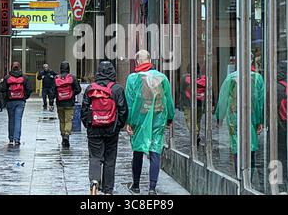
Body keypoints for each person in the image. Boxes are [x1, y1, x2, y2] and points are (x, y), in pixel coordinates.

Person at [125, 50, 175, 195]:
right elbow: (169, 101)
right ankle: (152, 188)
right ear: (149, 60)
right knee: (155, 152)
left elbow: (129, 102)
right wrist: (170, 118)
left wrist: (128, 121)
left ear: (138, 61)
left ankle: (136, 185)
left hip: (139, 120)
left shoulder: (132, 78)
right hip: (157, 120)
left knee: (138, 151)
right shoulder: (162, 78)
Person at [81, 61, 128, 195]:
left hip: (94, 129)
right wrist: (117, 126)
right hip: (111, 129)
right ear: (112, 72)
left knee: (95, 157)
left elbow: (84, 110)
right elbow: (123, 110)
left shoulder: (91, 88)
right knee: (109, 159)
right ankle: (108, 190)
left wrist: (89, 125)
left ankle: (94, 181)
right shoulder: (117, 89)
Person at [214, 67, 264, 176]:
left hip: (234, 115)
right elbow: (260, 101)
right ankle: (248, 175)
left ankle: (240, 174)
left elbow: (223, 99)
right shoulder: (257, 78)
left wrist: (219, 117)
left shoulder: (231, 78)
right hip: (252, 115)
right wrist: (260, 120)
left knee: (237, 143)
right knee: (251, 143)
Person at [0, 62, 32, 146]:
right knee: (18, 119)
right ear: (20, 68)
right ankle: (17, 139)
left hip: (10, 101)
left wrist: (6, 97)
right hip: (20, 101)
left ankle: (11, 139)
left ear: (11, 68)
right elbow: (29, 89)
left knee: (11, 120)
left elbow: (2, 89)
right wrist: (24, 97)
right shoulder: (24, 77)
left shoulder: (7, 77)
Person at [54, 61, 81, 148]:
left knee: (62, 121)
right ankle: (66, 135)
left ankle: (63, 136)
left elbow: (53, 91)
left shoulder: (56, 78)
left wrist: (51, 101)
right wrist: (72, 94)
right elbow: (78, 89)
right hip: (70, 103)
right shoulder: (72, 78)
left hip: (59, 103)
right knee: (68, 120)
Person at [179, 63, 205, 146]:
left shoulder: (184, 78)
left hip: (188, 103)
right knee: (197, 120)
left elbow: (182, 91)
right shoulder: (203, 78)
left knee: (190, 121)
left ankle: (195, 134)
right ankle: (196, 134)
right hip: (199, 103)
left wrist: (180, 103)